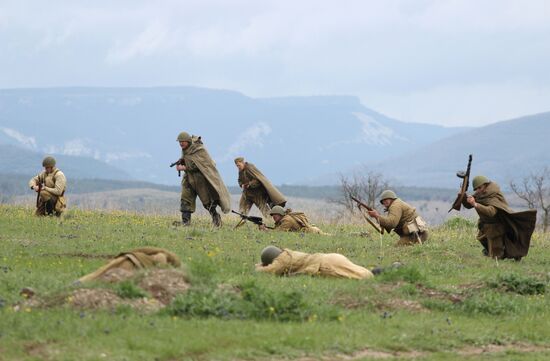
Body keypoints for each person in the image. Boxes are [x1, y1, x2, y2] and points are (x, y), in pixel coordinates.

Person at [462, 175, 537, 260]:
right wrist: (463, 197)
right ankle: (490, 251)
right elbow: (469, 204)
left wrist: (475, 204)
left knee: (496, 254)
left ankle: (505, 258)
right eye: (476, 189)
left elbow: (491, 212)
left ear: (485, 185)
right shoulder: (481, 195)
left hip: (496, 227)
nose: (478, 191)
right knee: (483, 239)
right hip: (485, 226)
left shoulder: (494, 196)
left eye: (480, 188)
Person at [175, 132, 231, 227]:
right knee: (185, 199)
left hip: (201, 181)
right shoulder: (185, 150)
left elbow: (203, 164)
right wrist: (182, 161)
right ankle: (186, 222)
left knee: (207, 202)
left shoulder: (199, 149)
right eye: (179, 142)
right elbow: (189, 159)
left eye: (182, 142)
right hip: (189, 179)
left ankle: (216, 219)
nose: (181, 144)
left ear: (188, 141)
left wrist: (184, 167)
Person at [255, 246, 373, 279]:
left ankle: (386, 272)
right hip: (332, 257)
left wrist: (259, 266)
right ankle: (384, 271)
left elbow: (268, 272)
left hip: (325, 265)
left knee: (363, 277)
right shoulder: (289, 253)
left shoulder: (282, 261)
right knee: (365, 272)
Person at [77, 247, 181, 283]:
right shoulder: (164, 256)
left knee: (99, 274)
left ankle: (81, 282)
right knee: (101, 275)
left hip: (130, 260)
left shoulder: (162, 256)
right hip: (131, 261)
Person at [260, 206, 329, 235]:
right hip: (311, 232)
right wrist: (266, 227)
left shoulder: (287, 220)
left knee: (330, 236)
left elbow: (279, 233)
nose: (274, 217)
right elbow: (277, 229)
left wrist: (266, 230)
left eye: (276, 214)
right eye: (272, 215)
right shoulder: (283, 219)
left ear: (280, 214)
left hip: (313, 232)